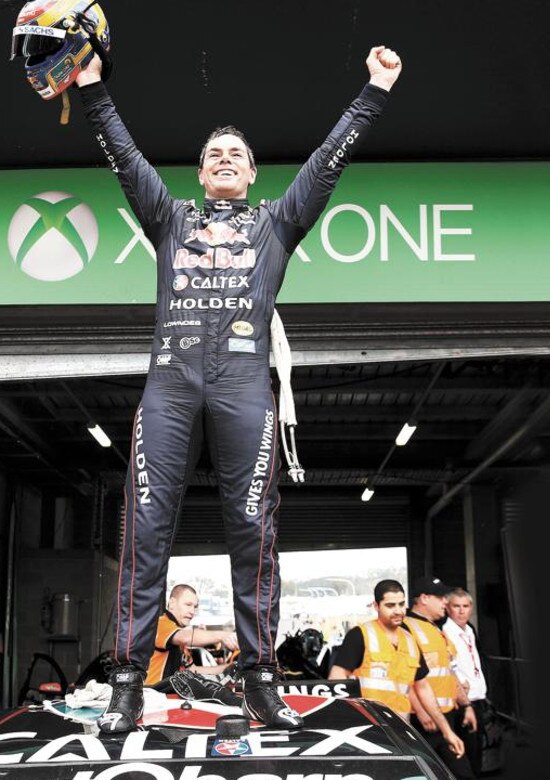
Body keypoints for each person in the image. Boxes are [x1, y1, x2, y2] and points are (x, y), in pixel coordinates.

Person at [73, 44, 402, 733]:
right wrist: (95, 90)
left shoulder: (278, 223)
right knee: (145, 526)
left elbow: (327, 163)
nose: (224, 158)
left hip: (245, 387)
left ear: (252, 175)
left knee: (253, 528)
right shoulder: (169, 220)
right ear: (199, 174)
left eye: (236, 154)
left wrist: (373, 92)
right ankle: (127, 684)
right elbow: (127, 162)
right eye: (213, 153)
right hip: (170, 384)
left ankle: (258, 682)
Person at [328, 579, 465, 760]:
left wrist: (447, 731)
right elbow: (336, 678)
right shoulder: (360, 635)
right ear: (376, 606)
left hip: (399, 730)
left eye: (401, 604)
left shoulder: (409, 640)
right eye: (390, 605)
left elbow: (423, 687)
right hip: (366, 731)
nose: (398, 610)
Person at [405, 576, 478, 780]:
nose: (445, 602)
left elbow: (449, 670)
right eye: (440, 597)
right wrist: (421, 710)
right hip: (426, 720)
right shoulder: (406, 628)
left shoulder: (436, 629)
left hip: (446, 716)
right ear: (424, 598)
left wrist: (466, 706)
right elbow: (404, 676)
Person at [145, 584, 238, 685]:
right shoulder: (160, 624)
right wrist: (223, 635)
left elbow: (192, 670)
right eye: (188, 605)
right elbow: (185, 637)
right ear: (172, 603)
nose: (192, 612)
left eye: (195, 607)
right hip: (153, 694)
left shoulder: (179, 639)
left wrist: (231, 666)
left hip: (169, 695)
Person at [442, 587, 489, 777]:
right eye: (456, 606)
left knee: (477, 753)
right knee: (466, 757)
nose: (462, 611)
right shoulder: (445, 632)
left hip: (478, 699)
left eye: (466, 606)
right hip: (462, 702)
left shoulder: (470, 629)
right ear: (448, 608)